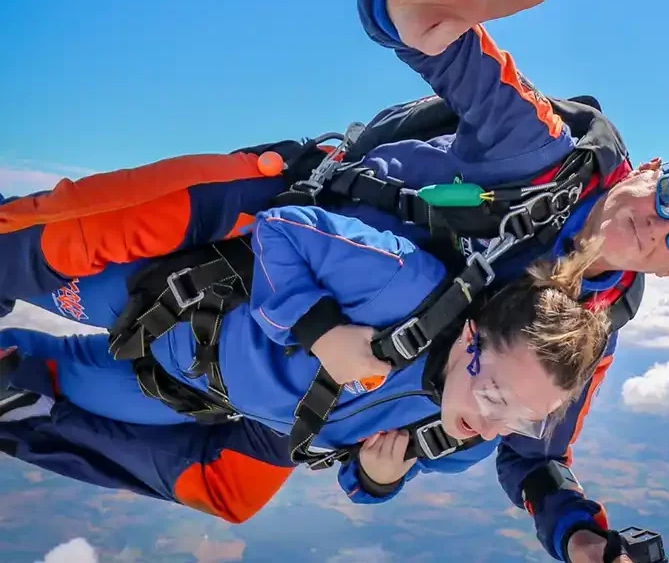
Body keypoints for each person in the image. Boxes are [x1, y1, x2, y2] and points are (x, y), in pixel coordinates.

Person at [1, 0, 669, 562]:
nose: (662, 224)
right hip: (255, 237)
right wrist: (411, 1)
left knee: (223, 486)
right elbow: (454, 53)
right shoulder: (545, 158)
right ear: (649, 170)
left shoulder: (589, 334)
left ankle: (20, 393)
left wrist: (578, 539)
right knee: (54, 236)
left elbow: (531, 451)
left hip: (284, 383)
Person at [0, 201, 610, 511]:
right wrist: (320, 332)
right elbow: (283, 228)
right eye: (498, 396)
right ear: (472, 339)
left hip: (182, 395)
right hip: (157, 299)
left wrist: (379, 478)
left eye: (523, 420)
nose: (494, 425)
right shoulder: (403, 286)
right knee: (9, 252)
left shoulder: (456, 442)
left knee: (22, 386)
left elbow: (355, 479)